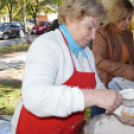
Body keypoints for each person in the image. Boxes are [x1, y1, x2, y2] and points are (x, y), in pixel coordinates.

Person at [11, 0, 122, 134]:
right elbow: (35, 97)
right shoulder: (47, 45)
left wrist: (114, 106)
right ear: (70, 19)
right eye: (89, 27)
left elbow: (95, 86)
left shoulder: (86, 53)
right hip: (34, 129)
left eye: (96, 30)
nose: (93, 36)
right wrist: (94, 96)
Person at [91, 0, 134, 118]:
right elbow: (99, 61)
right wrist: (129, 71)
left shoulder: (128, 34)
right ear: (116, 15)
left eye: (130, 18)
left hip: (122, 86)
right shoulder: (102, 33)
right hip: (103, 85)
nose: (127, 22)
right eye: (124, 18)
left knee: (120, 119)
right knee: (99, 120)